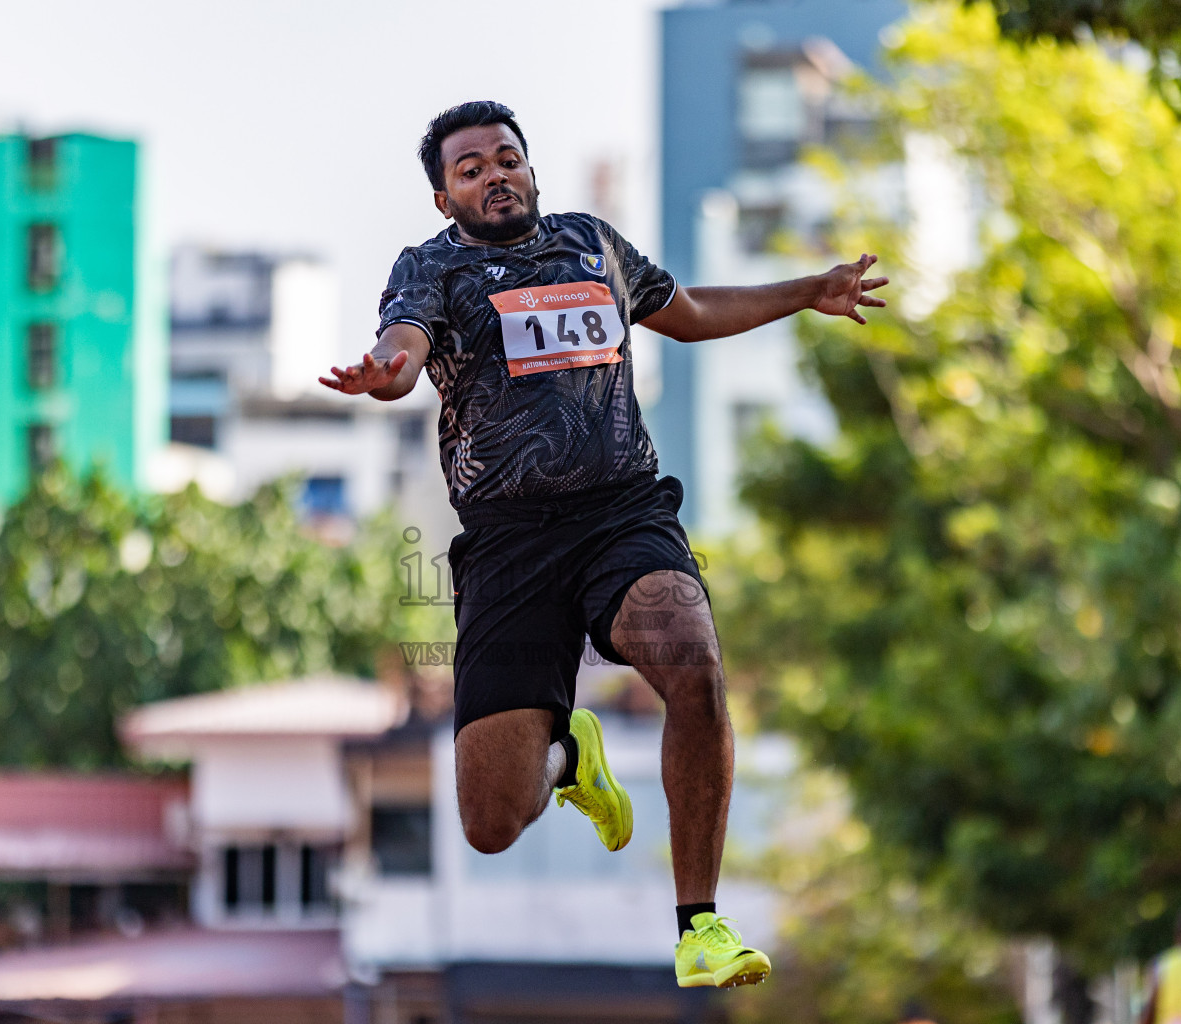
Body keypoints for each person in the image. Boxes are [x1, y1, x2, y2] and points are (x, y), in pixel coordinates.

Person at [319, 100, 887, 988]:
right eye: (471, 168)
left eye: (508, 158)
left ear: (532, 171)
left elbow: (688, 307)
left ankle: (699, 924)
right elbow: (404, 347)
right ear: (445, 198)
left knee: (692, 663)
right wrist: (386, 373)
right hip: (509, 544)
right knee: (492, 822)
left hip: (622, 515)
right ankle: (570, 753)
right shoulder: (431, 268)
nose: (495, 174)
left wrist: (806, 292)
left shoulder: (593, 244)